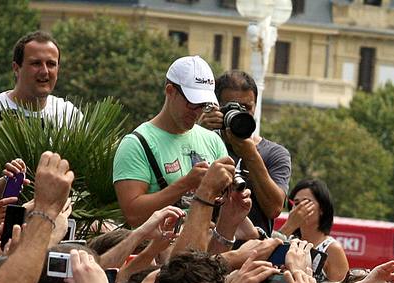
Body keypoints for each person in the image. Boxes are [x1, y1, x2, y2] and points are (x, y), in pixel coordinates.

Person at [112, 56, 228, 227]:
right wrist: (186, 184)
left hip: (204, 248)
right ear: (170, 91)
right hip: (156, 250)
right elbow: (133, 214)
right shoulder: (136, 143)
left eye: (204, 105)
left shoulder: (213, 140)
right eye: (192, 103)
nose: (197, 112)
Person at [201, 70, 290, 237]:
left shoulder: (274, 153)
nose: (240, 113)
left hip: (254, 253)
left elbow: (274, 208)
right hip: (206, 251)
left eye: (247, 108)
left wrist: (251, 155)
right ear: (216, 106)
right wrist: (198, 132)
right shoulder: (203, 141)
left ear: (255, 106)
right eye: (231, 107)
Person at [0, 31, 80, 135]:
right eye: (36, 63)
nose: (44, 71)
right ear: (16, 68)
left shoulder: (69, 116)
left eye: (51, 64)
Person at [279, 178, 349, 282]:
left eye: (307, 203)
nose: (300, 209)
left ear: (322, 209)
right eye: (297, 204)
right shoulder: (287, 240)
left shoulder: (332, 249)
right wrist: (288, 227)